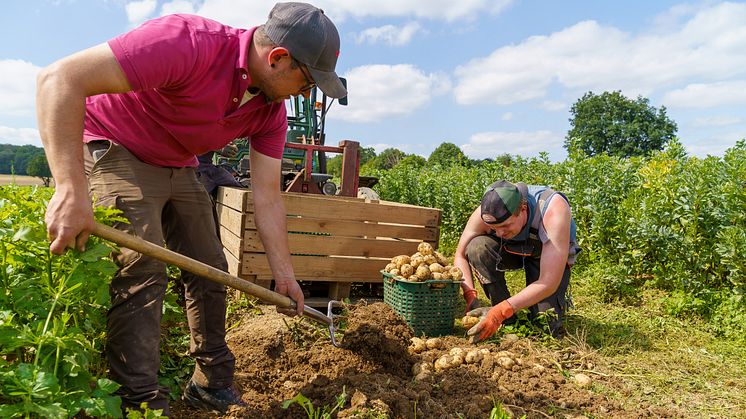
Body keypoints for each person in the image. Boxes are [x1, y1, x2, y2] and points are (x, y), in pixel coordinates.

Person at [36, 2, 346, 415]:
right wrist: (69, 188)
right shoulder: (188, 43)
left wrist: (284, 276)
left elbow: (269, 197)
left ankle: (210, 383)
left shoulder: (269, 112)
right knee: (142, 268)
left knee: (210, 268)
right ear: (278, 58)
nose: (305, 95)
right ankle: (141, 403)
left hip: (179, 161)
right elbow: (59, 78)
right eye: (307, 84)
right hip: (115, 143)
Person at [453, 180, 581, 342]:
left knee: (546, 326)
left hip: (547, 256)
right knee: (477, 247)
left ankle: (504, 310)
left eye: (505, 226)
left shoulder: (553, 209)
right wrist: (470, 295)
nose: (499, 233)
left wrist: (502, 310)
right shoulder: (487, 213)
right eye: (494, 229)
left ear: (523, 209)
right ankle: (506, 318)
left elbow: (549, 281)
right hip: (512, 249)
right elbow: (460, 255)